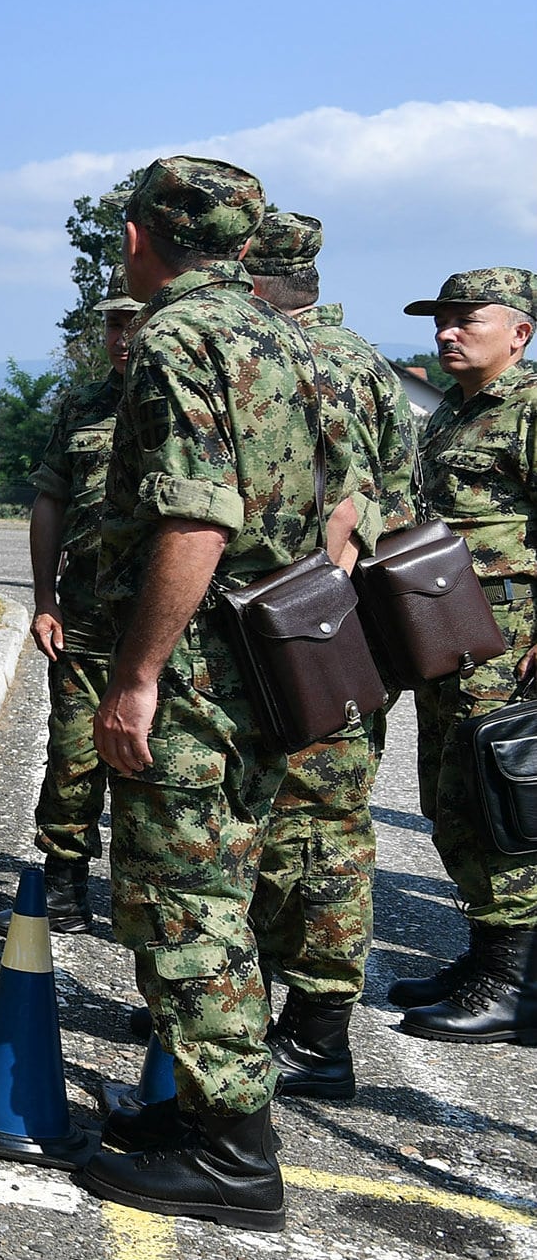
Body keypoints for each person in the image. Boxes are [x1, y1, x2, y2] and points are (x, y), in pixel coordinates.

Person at [75, 156, 363, 1232]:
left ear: (144, 235)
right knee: (225, 891)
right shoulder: (289, 337)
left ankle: (235, 1154)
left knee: (182, 901)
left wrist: (137, 676)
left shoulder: (179, 337)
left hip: (197, 667)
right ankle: (205, 1116)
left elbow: (195, 520)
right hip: (264, 659)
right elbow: (339, 510)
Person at [244, 210, 413, 1094]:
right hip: (335, 634)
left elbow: (360, 517)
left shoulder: (305, 362)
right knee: (311, 825)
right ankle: (259, 1006)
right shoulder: (366, 363)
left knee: (316, 831)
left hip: (309, 631)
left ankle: (316, 1033)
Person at [394, 267, 537, 1046]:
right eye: (440, 320)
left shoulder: (531, 408)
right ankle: (486, 954)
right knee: (451, 797)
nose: (446, 332)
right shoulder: (451, 410)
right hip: (449, 631)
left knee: (499, 801)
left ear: (519, 332)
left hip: (508, 639)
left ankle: (510, 981)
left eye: (465, 320)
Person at [0, 265, 136, 939]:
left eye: (136, 319)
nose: (123, 334)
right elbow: (50, 499)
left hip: (167, 624)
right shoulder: (82, 404)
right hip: (82, 612)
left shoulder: (189, 404)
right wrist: (43, 596)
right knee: (73, 753)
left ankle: (150, 908)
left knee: (158, 767)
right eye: (114, 320)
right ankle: (65, 891)